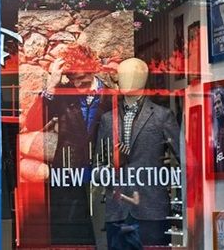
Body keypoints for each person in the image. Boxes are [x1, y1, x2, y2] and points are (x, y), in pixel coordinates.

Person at [96, 58, 181, 249]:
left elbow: (183, 161)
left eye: (133, 74)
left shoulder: (162, 116)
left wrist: (183, 205)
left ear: (143, 78)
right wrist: (113, 165)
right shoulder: (108, 119)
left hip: (151, 209)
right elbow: (97, 168)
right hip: (117, 212)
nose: (127, 79)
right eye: (123, 75)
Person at [42, 43, 111, 245]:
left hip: (101, 173)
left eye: (81, 77)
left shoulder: (112, 96)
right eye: (73, 79)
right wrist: (51, 85)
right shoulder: (61, 94)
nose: (78, 83)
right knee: (67, 234)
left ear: (93, 69)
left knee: (102, 233)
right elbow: (33, 121)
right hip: (67, 172)